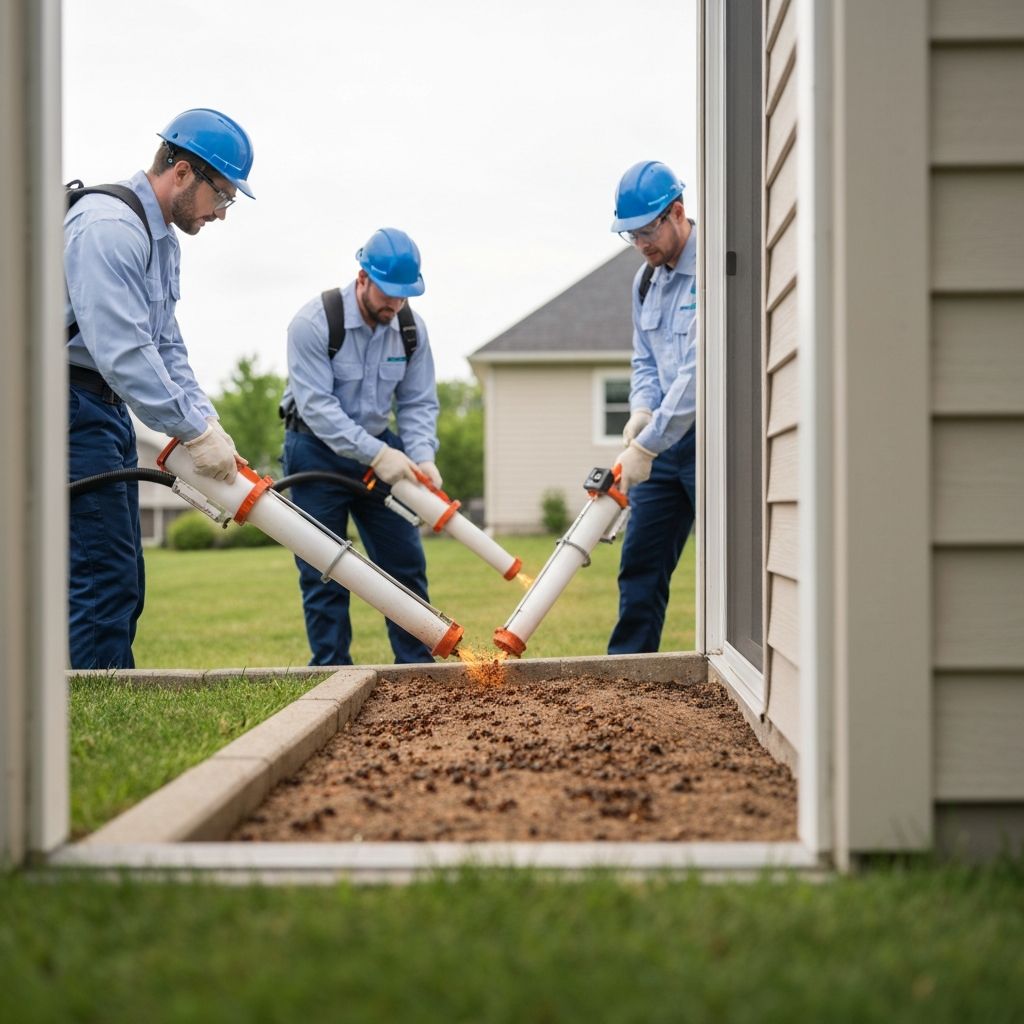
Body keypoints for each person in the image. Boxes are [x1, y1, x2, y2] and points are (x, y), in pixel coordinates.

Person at [65, 107, 256, 670]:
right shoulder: (110, 228)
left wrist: (208, 423)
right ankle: (99, 705)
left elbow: (165, 347)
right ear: (181, 173)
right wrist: (192, 430)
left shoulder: (160, 240)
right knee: (102, 573)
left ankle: (91, 685)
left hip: (103, 407)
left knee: (122, 570)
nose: (221, 214)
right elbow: (123, 351)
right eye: (221, 196)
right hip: (63, 404)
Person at [280, 228, 442, 666]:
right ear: (362, 279)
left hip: (381, 453)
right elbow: (317, 409)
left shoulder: (409, 330)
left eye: (405, 296)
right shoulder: (314, 323)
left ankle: (417, 673)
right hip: (314, 448)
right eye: (388, 293)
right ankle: (332, 674)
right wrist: (378, 454)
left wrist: (422, 453)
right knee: (323, 571)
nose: (395, 305)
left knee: (404, 565)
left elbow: (417, 402)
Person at [608, 160, 698, 655]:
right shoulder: (645, 281)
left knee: (737, 565)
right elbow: (644, 359)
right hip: (662, 447)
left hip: (712, 442)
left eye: (646, 231)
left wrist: (647, 442)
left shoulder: (713, 266)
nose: (640, 244)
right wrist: (641, 410)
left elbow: (698, 374)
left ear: (677, 213)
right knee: (639, 563)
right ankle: (625, 676)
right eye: (630, 235)